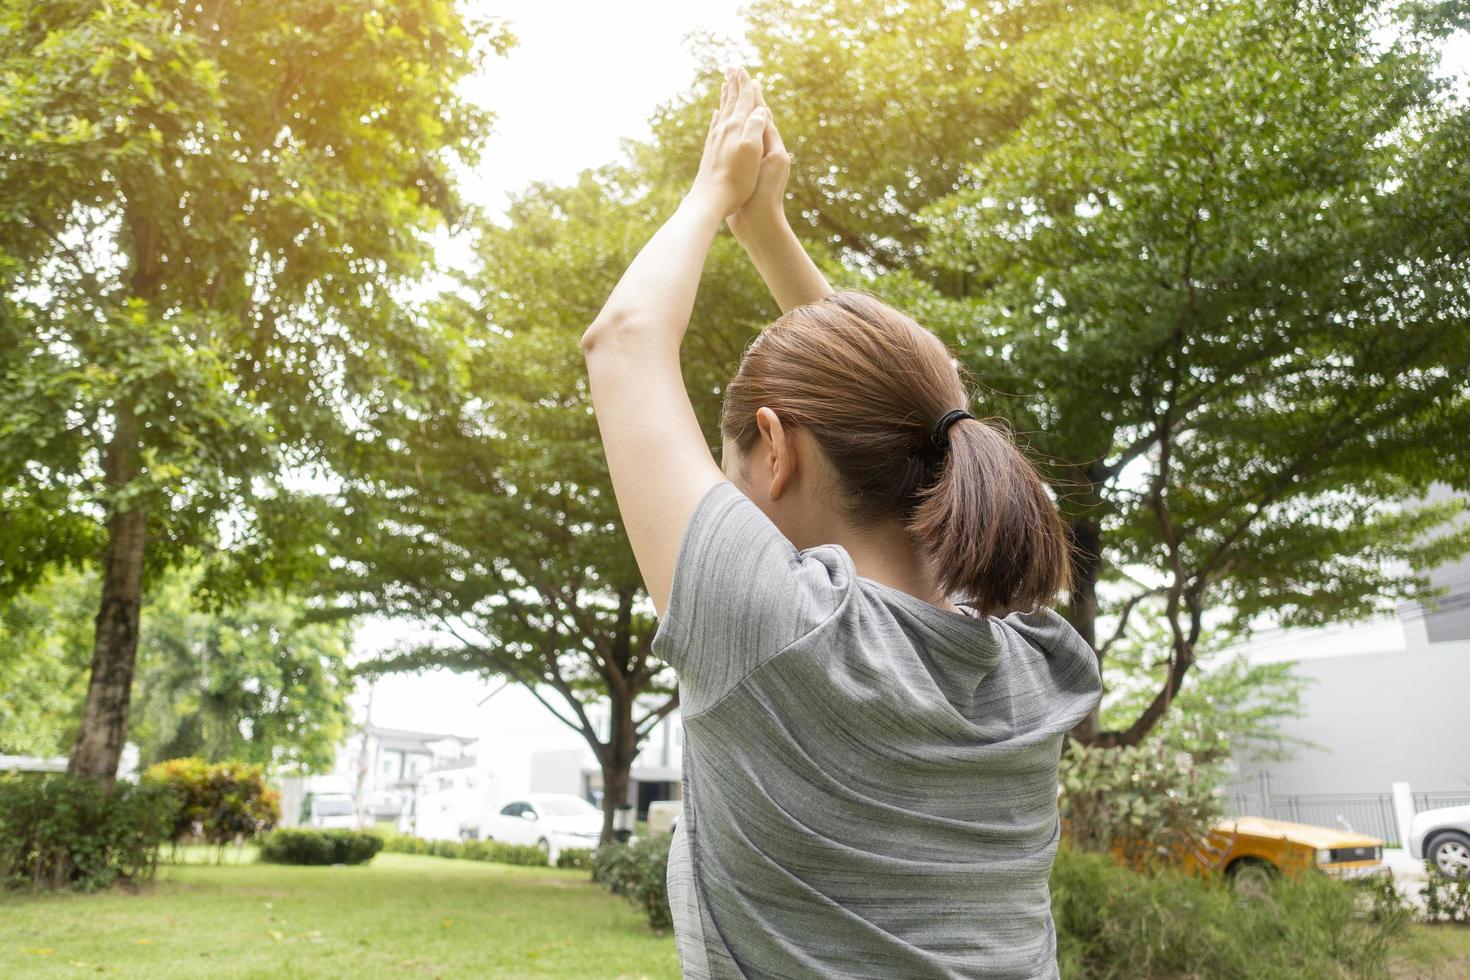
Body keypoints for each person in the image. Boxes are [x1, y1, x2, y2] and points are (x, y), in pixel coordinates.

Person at [580, 66, 1103, 980]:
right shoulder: (1027, 660)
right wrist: (765, 228)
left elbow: (624, 341)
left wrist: (713, 190)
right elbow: (908, 418)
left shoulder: (780, 633)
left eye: (732, 473)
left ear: (775, 452)